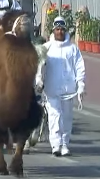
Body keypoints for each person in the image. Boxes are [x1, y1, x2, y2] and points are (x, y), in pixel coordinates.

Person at [37, 17, 85, 157]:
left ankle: (64, 144)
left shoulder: (73, 49)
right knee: (54, 117)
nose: (60, 32)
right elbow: (39, 67)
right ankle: (55, 145)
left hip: (68, 90)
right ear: (53, 30)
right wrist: (39, 81)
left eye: (62, 29)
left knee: (66, 118)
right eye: (57, 29)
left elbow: (79, 67)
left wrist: (80, 85)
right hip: (51, 90)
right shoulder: (46, 48)